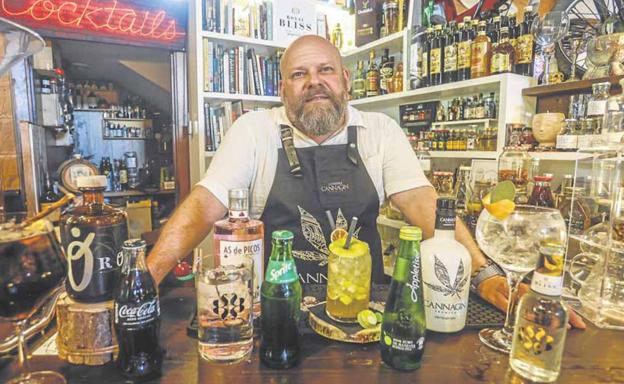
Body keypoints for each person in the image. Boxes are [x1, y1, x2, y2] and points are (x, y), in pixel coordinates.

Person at [146, 35, 584, 328]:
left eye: (325, 71)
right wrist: (147, 277)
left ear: (346, 82)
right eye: (299, 74)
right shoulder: (253, 129)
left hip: (365, 308)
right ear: (283, 90)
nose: (313, 82)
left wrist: (485, 274)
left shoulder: (380, 130)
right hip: (277, 308)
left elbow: (424, 206)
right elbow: (206, 203)